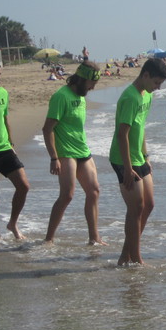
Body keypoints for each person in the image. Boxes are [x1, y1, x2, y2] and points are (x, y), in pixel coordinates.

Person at [109, 58, 166, 265]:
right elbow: (122, 135)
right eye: (156, 82)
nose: (158, 87)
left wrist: (146, 156)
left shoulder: (146, 94)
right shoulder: (131, 97)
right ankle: (135, 259)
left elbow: (140, 127)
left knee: (149, 205)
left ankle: (125, 255)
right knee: (136, 207)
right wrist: (127, 168)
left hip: (139, 156)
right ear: (145, 75)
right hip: (123, 158)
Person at [42, 60, 106, 245]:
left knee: (94, 191)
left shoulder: (82, 97)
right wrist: (54, 157)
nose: (93, 87)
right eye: (92, 83)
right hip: (65, 152)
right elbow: (47, 129)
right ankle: (49, 239)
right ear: (82, 79)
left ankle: (94, 238)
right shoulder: (61, 96)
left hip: (82, 149)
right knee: (67, 195)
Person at [0, 60, 30, 239]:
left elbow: (5, 119)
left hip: (4, 149)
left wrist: (11, 143)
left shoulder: (3, 93)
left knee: (24, 186)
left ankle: (12, 223)